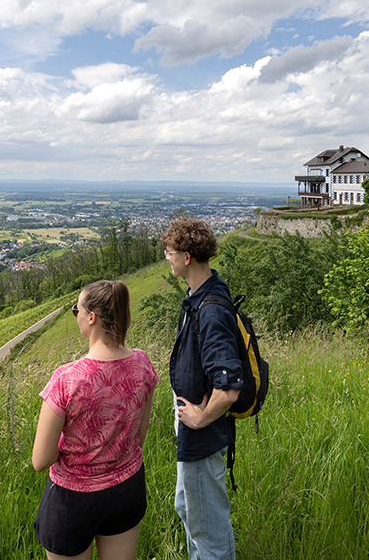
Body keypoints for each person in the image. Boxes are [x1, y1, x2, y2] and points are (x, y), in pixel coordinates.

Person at [32, 280, 158, 560]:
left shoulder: (66, 379)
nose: (75, 315)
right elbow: (141, 431)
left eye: (76, 309)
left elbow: (40, 460)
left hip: (73, 498)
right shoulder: (142, 364)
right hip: (127, 487)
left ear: (92, 317)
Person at [162, 217, 244, 560]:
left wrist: (198, 419)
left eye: (169, 251)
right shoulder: (205, 292)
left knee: (207, 528)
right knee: (188, 508)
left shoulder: (209, 310)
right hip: (196, 434)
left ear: (186, 257)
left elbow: (228, 388)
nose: (166, 256)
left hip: (202, 436)